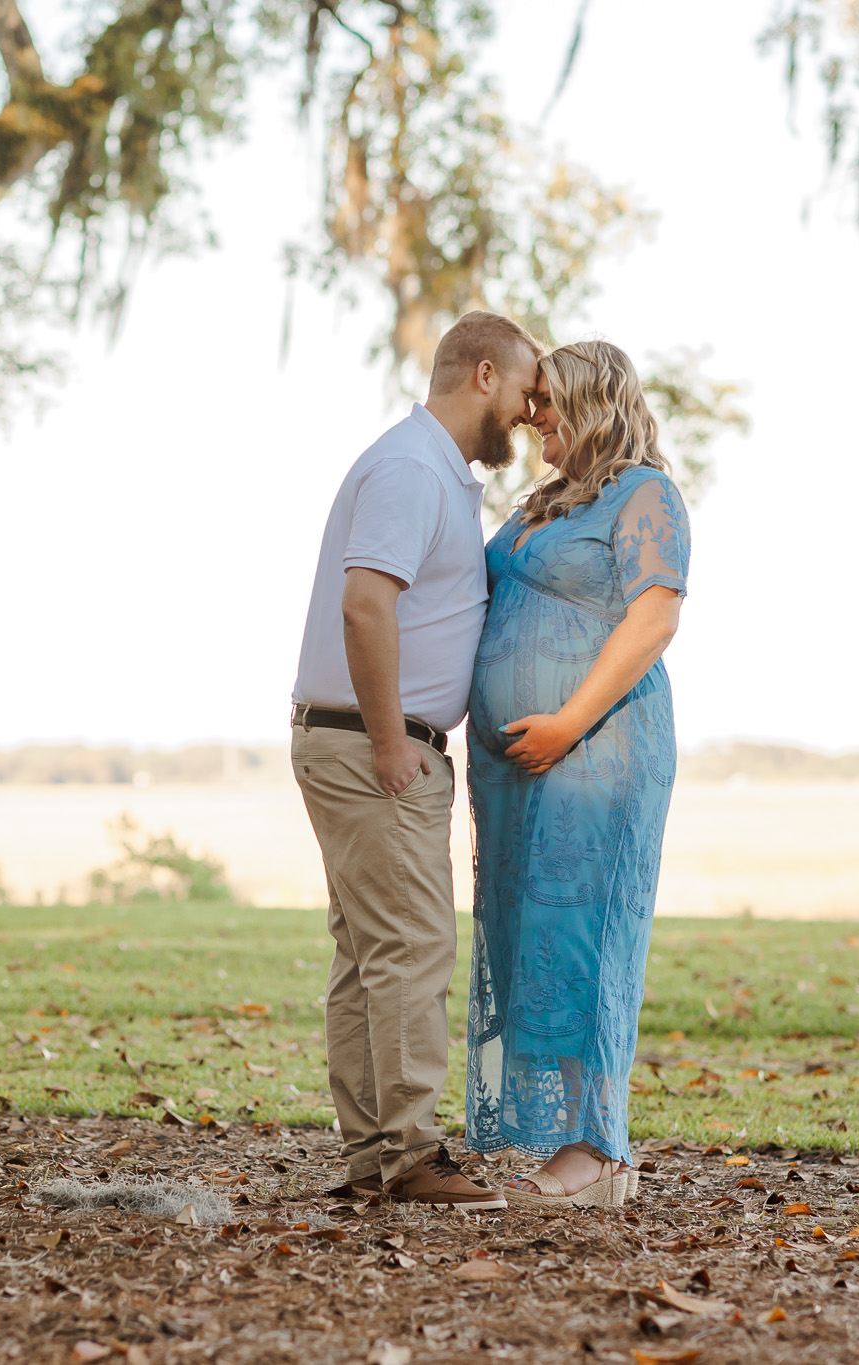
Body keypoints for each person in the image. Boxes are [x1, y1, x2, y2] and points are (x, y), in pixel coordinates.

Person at [290, 310, 542, 1211]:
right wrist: (395, 739)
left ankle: (372, 1155)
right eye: (525, 388)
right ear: (482, 374)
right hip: (374, 745)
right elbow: (367, 606)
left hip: (363, 740)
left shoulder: (432, 470)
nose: (529, 409)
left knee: (368, 955)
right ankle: (408, 1155)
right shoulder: (409, 466)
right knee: (410, 946)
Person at [463, 339, 692, 1209]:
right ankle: (571, 1137)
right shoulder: (533, 509)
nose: (533, 415)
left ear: (594, 401)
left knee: (585, 934)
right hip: (520, 772)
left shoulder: (645, 494)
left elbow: (653, 618)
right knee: (532, 939)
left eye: (548, 401)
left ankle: (598, 1147)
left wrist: (565, 720)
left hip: (600, 753)